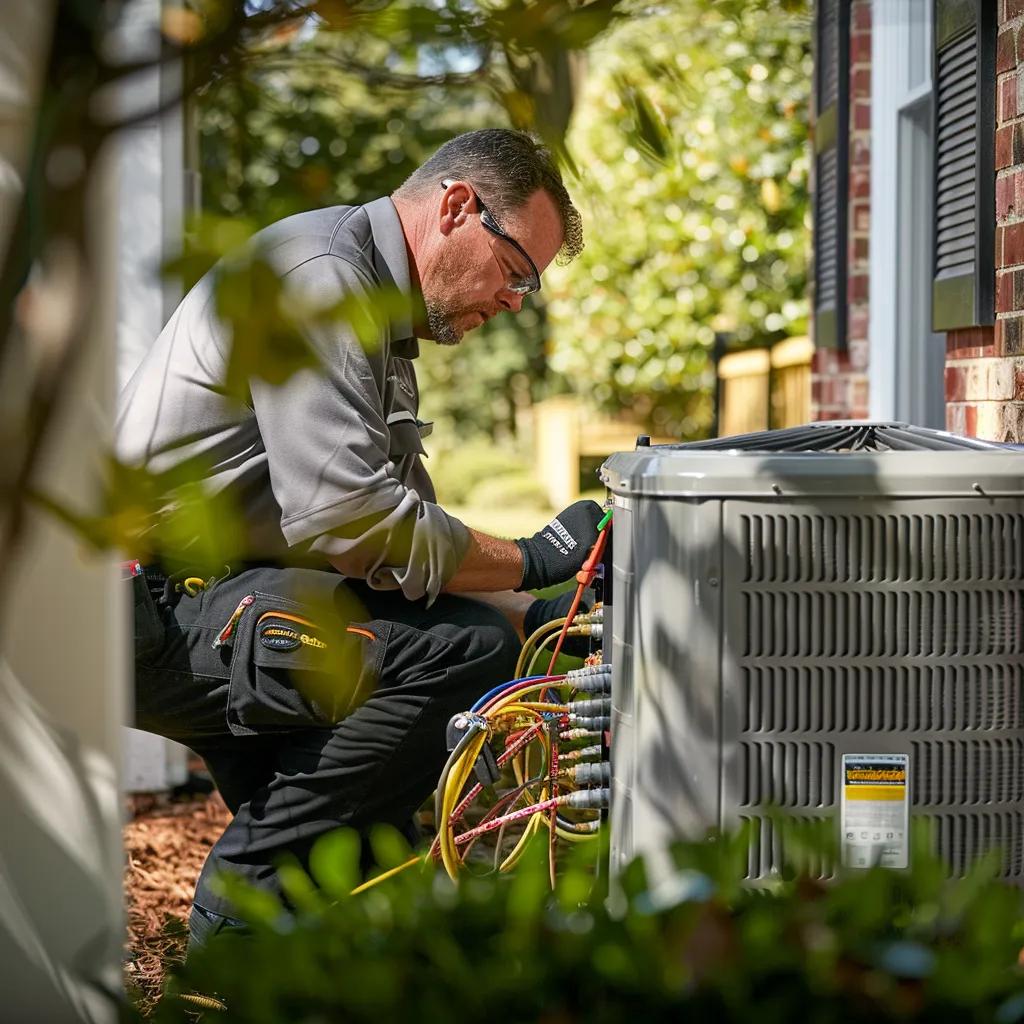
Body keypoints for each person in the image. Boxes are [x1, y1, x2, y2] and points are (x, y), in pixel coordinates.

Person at [116, 128, 606, 946]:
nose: (519, 299)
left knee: (426, 691)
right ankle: (240, 932)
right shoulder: (319, 278)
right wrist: (534, 555)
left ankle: (321, 926)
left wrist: (549, 616)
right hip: (144, 607)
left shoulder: (375, 304)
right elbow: (349, 520)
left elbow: (400, 542)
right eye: (518, 272)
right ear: (457, 207)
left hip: (214, 596)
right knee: (457, 652)